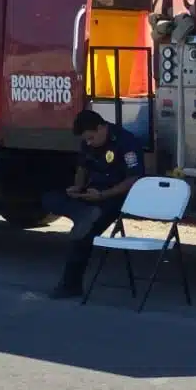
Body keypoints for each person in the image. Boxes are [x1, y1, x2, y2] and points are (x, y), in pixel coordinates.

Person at [41, 109, 146, 299]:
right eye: (86, 140)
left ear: (101, 128)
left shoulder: (126, 142)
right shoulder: (88, 142)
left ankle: (70, 285)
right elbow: (83, 166)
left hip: (113, 197)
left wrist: (103, 194)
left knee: (83, 235)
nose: (88, 143)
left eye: (91, 138)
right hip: (90, 196)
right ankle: (81, 214)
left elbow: (133, 179)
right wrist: (77, 187)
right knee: (49, 198)